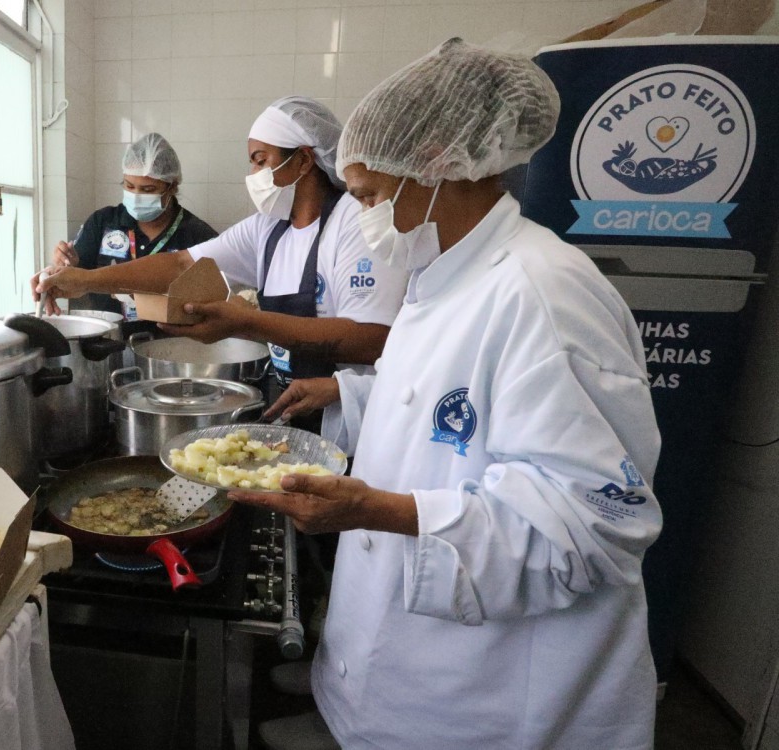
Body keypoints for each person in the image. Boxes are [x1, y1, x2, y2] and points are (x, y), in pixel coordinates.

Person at [231, 39, 663, 749]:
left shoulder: (543, 292)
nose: (364, 218)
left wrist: (379, 509)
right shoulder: (442, 275)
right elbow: (438, 409)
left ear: (435, 166)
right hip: (402, 668)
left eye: (368, 196)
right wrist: (342, 393)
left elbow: (595, 529)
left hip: (493, 704)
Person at [34, 97, 408, 403]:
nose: (254, 175)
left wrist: (244, 321)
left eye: (262, 161)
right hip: (289, 396)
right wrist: (86, 281)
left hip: (346, 415)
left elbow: (371, 339)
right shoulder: (268, 228)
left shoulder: (353, 222)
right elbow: (182, 263)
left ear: (305, 160)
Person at [51, 132, 216, 320]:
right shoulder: (102, 222)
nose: (136, 195)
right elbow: (78, 279)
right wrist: (70, 264)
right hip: (107, 340)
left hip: (170, 344)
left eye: (148, 190)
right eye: (129, 186)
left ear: (172, 187)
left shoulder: (198, 236)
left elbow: (212, 300)